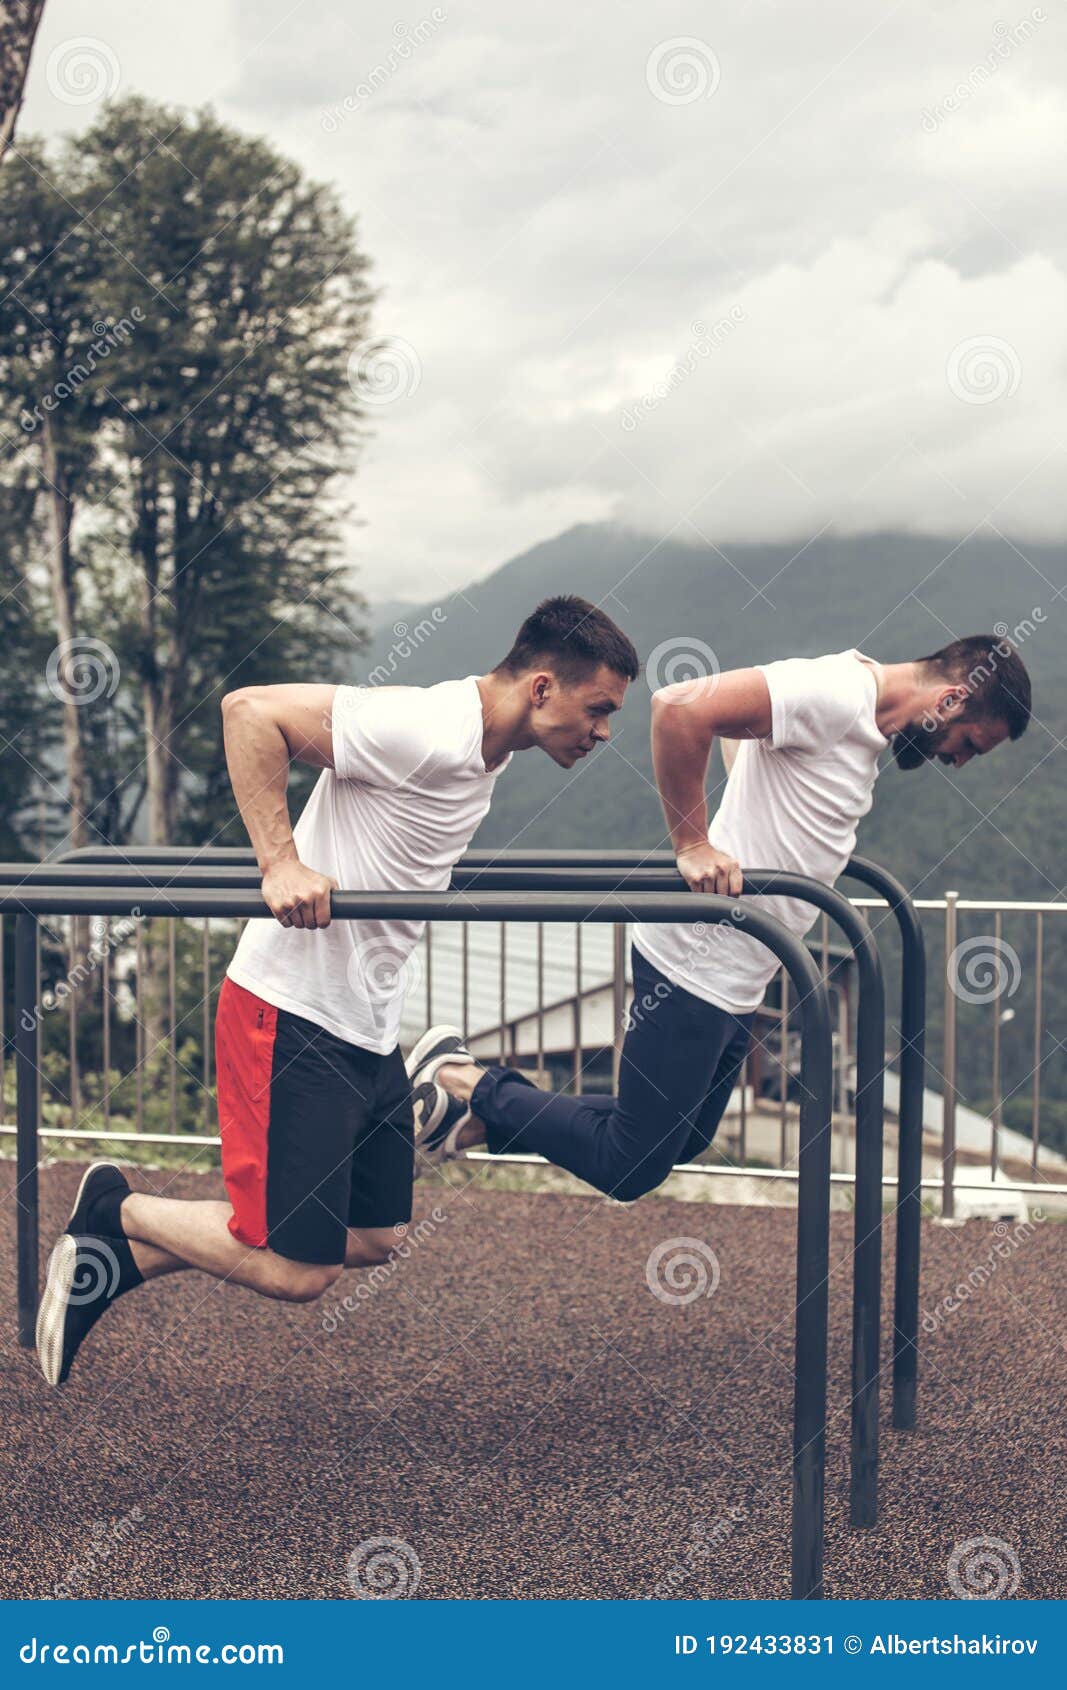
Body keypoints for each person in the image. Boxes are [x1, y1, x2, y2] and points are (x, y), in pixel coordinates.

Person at [36, 596, 639, 1385]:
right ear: (538, 689)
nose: (602, 733)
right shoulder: (428, 728)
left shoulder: (484, 750)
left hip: (363, 1026)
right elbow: (250, 712)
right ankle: (114, 1212)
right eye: (597, 710)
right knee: (297, 1270)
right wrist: (279, 863)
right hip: (290, 1013)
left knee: (376, 1234)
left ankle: (113, 1261)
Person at [409, 636, 1032, 1199]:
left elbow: (744, 733)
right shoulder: (837, 692)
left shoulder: (858, 713)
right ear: (952, 700)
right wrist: (692, 843)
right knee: (631, 1163)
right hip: (696, 962)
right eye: (971, 744)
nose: (960, 760)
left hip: (744, 970)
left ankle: (465, 1119)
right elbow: (680, 707)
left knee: (683, 1138)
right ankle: (462, 1078)